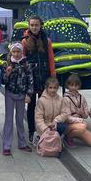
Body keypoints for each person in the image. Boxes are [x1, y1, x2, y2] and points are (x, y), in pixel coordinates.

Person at [22, 15, 56, 143]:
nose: (34, 27)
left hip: (44, 78)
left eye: (36, 25)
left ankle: (44, 130)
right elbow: (23, 61)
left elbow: (51, 60)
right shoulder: (25, 41)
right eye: (32, 25)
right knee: (31, 107)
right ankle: (31, 131)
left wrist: (53, 77)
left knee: (45, 106)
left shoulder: (47, 41)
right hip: (31, 78)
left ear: (40, 25)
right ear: (29, 26)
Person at [2, 42, 33, 155]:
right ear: (11, 53)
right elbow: (3, 81)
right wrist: (7, 74)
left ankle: (22, 143)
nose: (16, 54)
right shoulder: (7, 64)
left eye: (18, 51)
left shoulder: (26, 64)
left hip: (21, 94)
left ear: (22, 52)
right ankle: (6, 146)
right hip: (10, 93)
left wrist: (29, 94)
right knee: (8, 120)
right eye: (14, 52)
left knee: (20, 120)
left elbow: (30, 80)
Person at [60, 73, 91, 148]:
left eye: (76, 85)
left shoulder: (82, 98)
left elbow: (86, 115)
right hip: (69, 125)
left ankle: (76, 134)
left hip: (80, 124)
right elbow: (66, 117)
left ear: (79, 86)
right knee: (83, 126)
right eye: (71, 85)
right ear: (68, 86)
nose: (74, 87)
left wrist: (82, 113)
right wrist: (80, 120)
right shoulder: (65, 99)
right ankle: (68, 137)